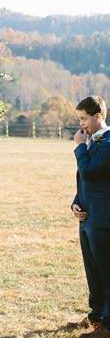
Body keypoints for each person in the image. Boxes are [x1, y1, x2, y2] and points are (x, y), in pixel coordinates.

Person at [69, 96, 110, 338]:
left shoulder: (107, 142)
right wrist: (76, 203)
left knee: (106, 270)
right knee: (92, 270)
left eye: (84, 118)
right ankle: (96, 314)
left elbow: (91, 172)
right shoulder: (92, 142)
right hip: (87, 217)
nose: (82, 124)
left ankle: (108, 325)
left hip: (104, 218)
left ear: (98, 116)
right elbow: (84, 181)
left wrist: (79, 147)